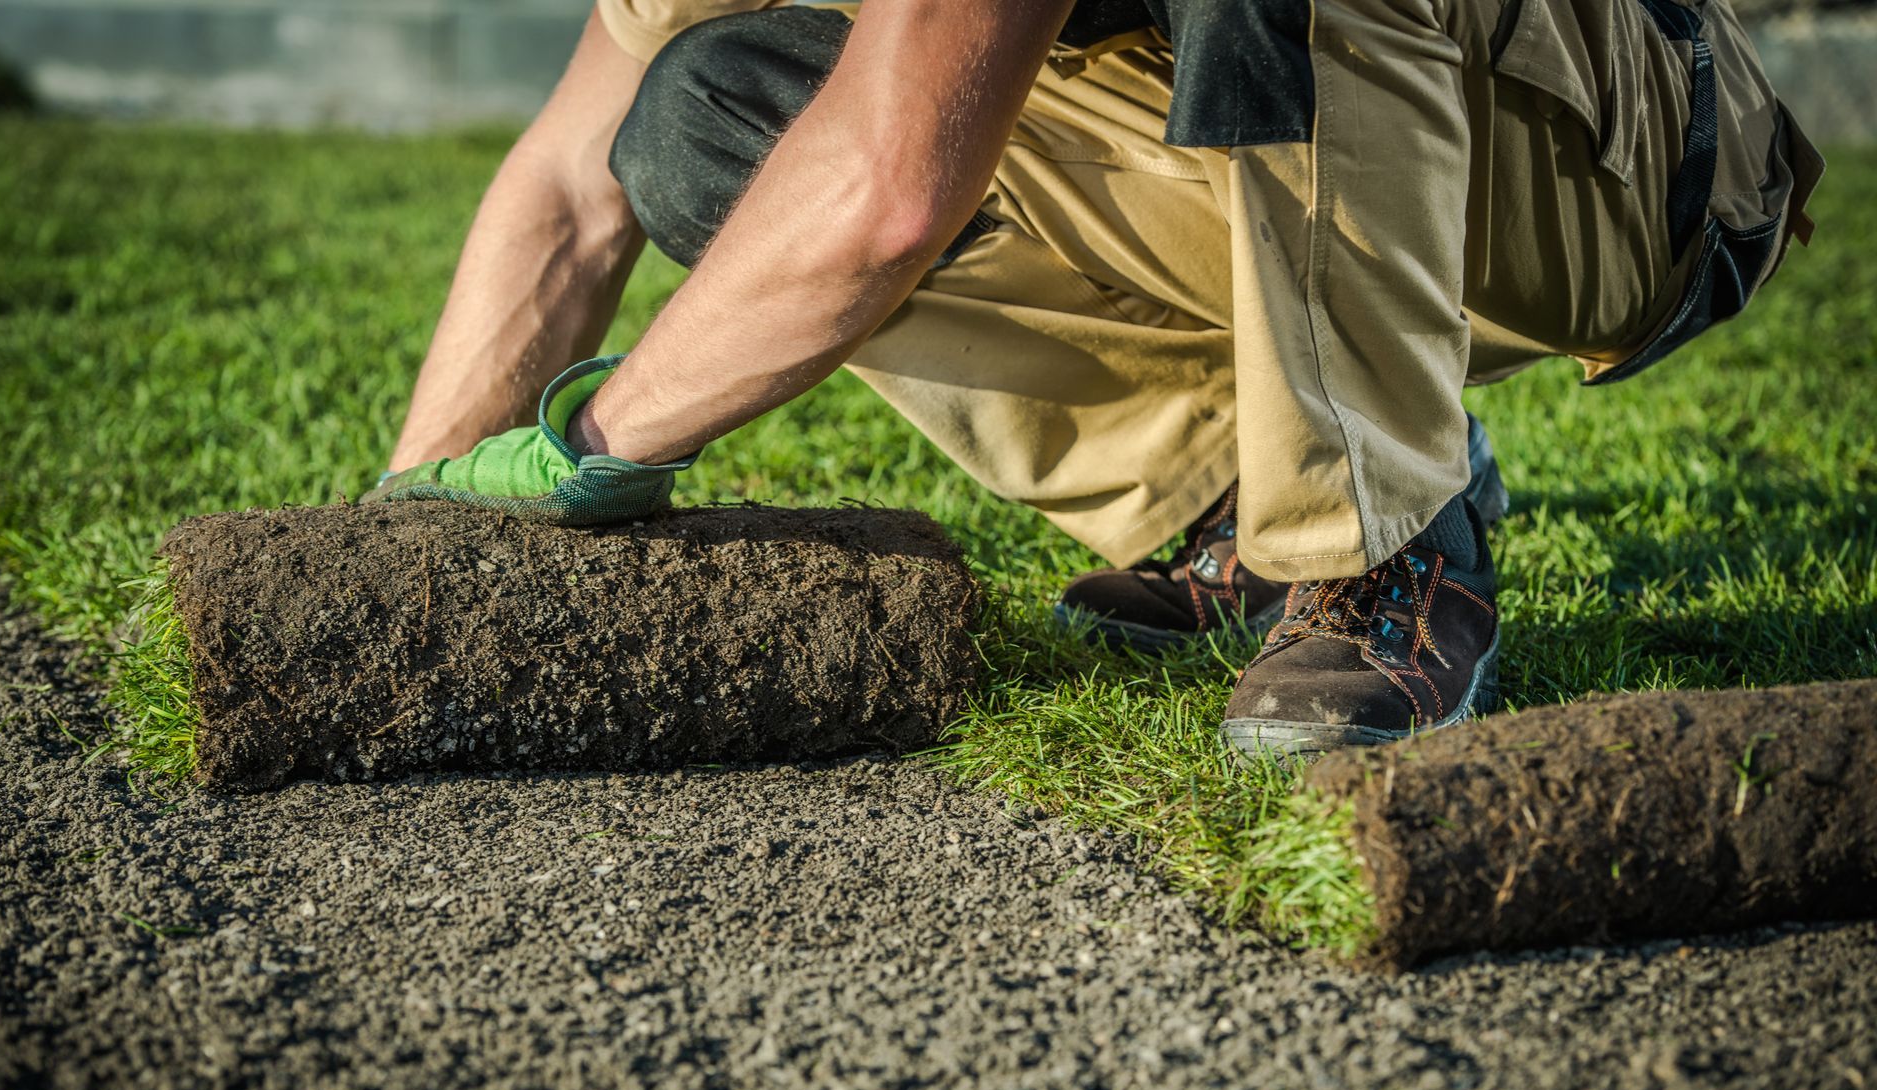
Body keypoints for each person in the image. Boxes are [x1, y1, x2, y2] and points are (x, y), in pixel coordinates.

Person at [369, 0, 1821, 756]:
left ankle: (1377, 544)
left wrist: (596, 440)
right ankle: (1232, 504)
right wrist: (404, 525)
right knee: (715, 118)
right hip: (1302, 127)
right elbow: (573, 185)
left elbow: (885, 193)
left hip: (1613, 171)